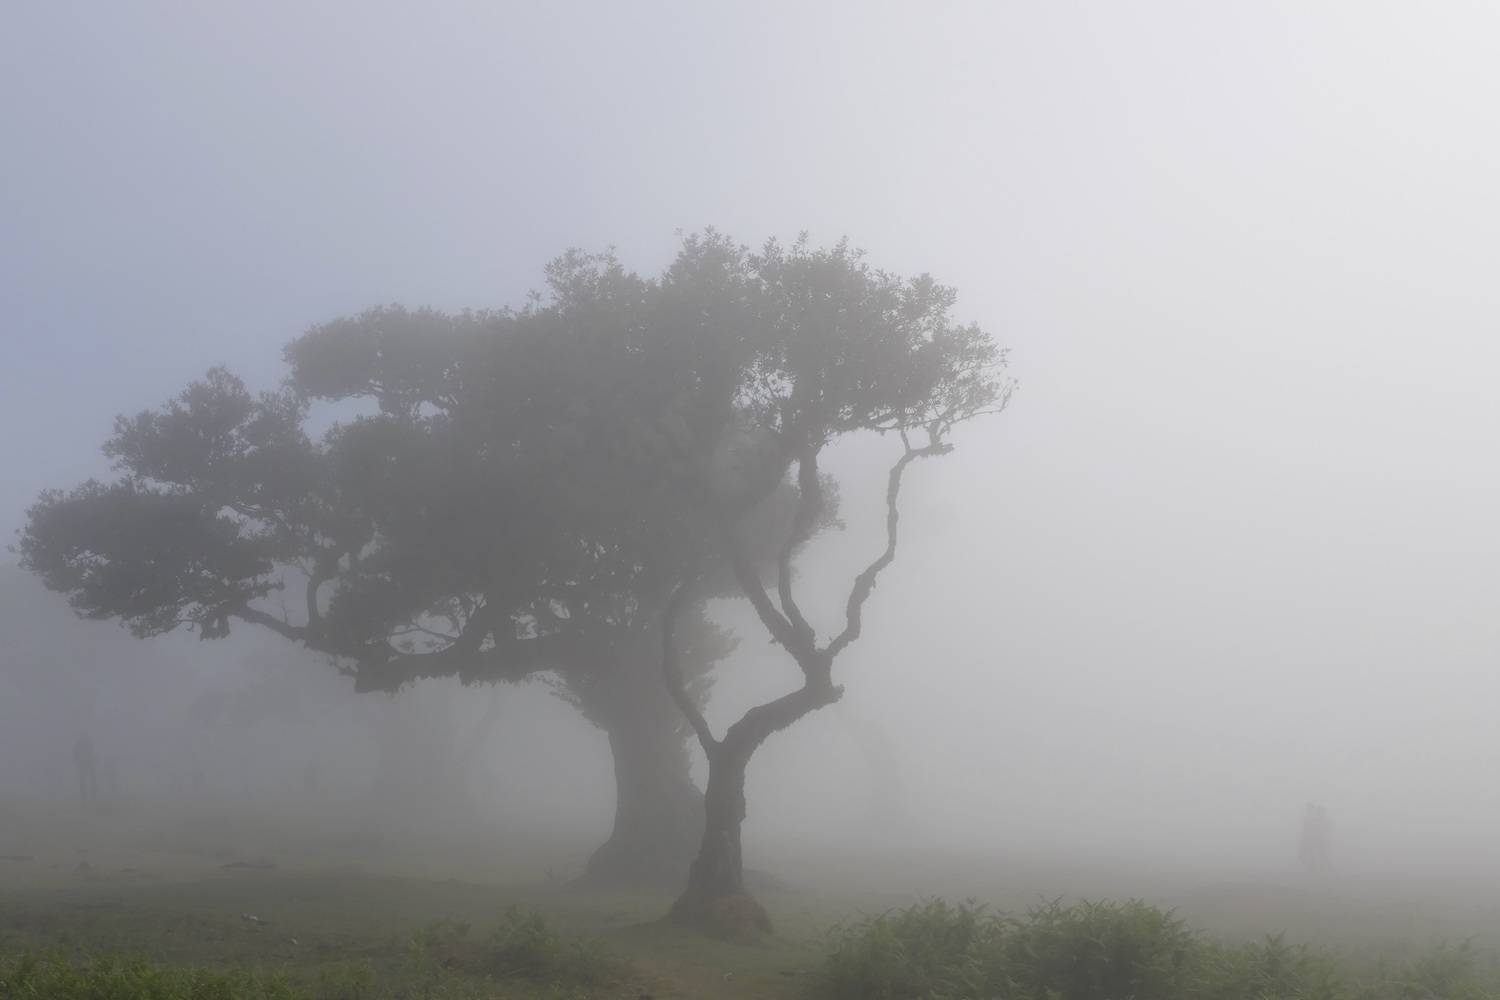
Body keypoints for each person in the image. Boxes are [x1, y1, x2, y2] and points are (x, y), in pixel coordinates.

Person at [1298, 802, 1332, 874]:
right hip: (1312, 840)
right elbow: (1306, 830)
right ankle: (1314, 870)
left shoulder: (1318, 820)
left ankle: (1321, 871)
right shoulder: (1311, 819)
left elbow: (1323, 831)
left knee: (1319, 856)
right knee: (1311, 855)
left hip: (1316, 841)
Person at [72, 734, 98, 805]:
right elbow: (75, 754)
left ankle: (89, 795)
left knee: (90, 780)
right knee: (86, 780)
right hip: (84, 764)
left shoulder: (85, 744)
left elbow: (92, 753)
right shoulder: (83, 744)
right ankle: (86, 795)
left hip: (86, 763)